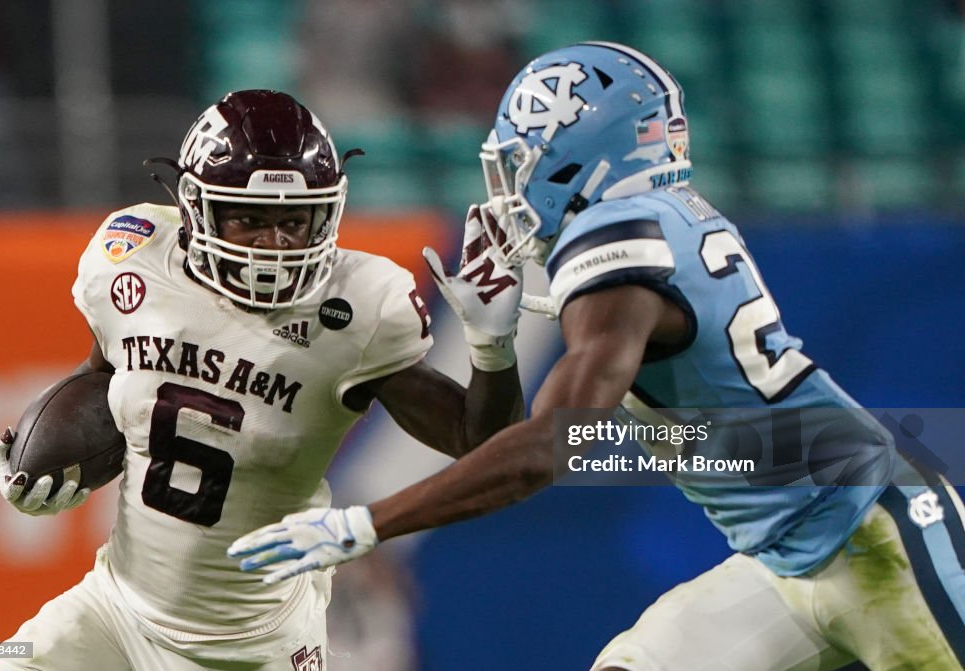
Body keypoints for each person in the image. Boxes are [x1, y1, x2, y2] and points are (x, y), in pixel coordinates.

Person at [231, 44, 965, 670]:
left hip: (879, 534)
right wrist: (490, 344)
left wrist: (365, 524)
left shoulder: (617, 240)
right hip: (787, 556)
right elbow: (538, 441)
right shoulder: (661, 215)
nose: (514, 182)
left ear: (577, 153)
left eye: (527, 157)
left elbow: (549, 448)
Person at [0, 89, 524, 670]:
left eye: (294, 222)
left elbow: (482, 444)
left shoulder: (358, 309)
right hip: (114, 611)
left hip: (254, 648)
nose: (276, 245)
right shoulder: (135, 256)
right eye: (250, 220)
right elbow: (106, 379)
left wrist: (491, 344)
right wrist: (50, 463)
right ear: (196, 208)